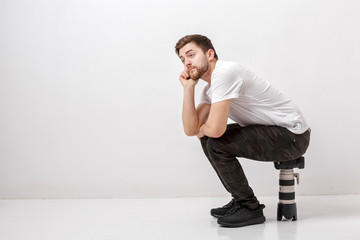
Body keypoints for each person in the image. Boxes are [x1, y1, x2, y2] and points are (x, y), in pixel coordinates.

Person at [174, 34, 311, 228]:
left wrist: (203, 128)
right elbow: (190, 130)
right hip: (276, 131)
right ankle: (240, 199)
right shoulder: (210, 88)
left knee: (215, 141)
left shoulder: (225, 73)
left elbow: (215, 130)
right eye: (182, 59)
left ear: (210, 54)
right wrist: (188, 89)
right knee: (208, 140)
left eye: (191, 55)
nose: (187, 62)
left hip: (292, 135)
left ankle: (249, 207)